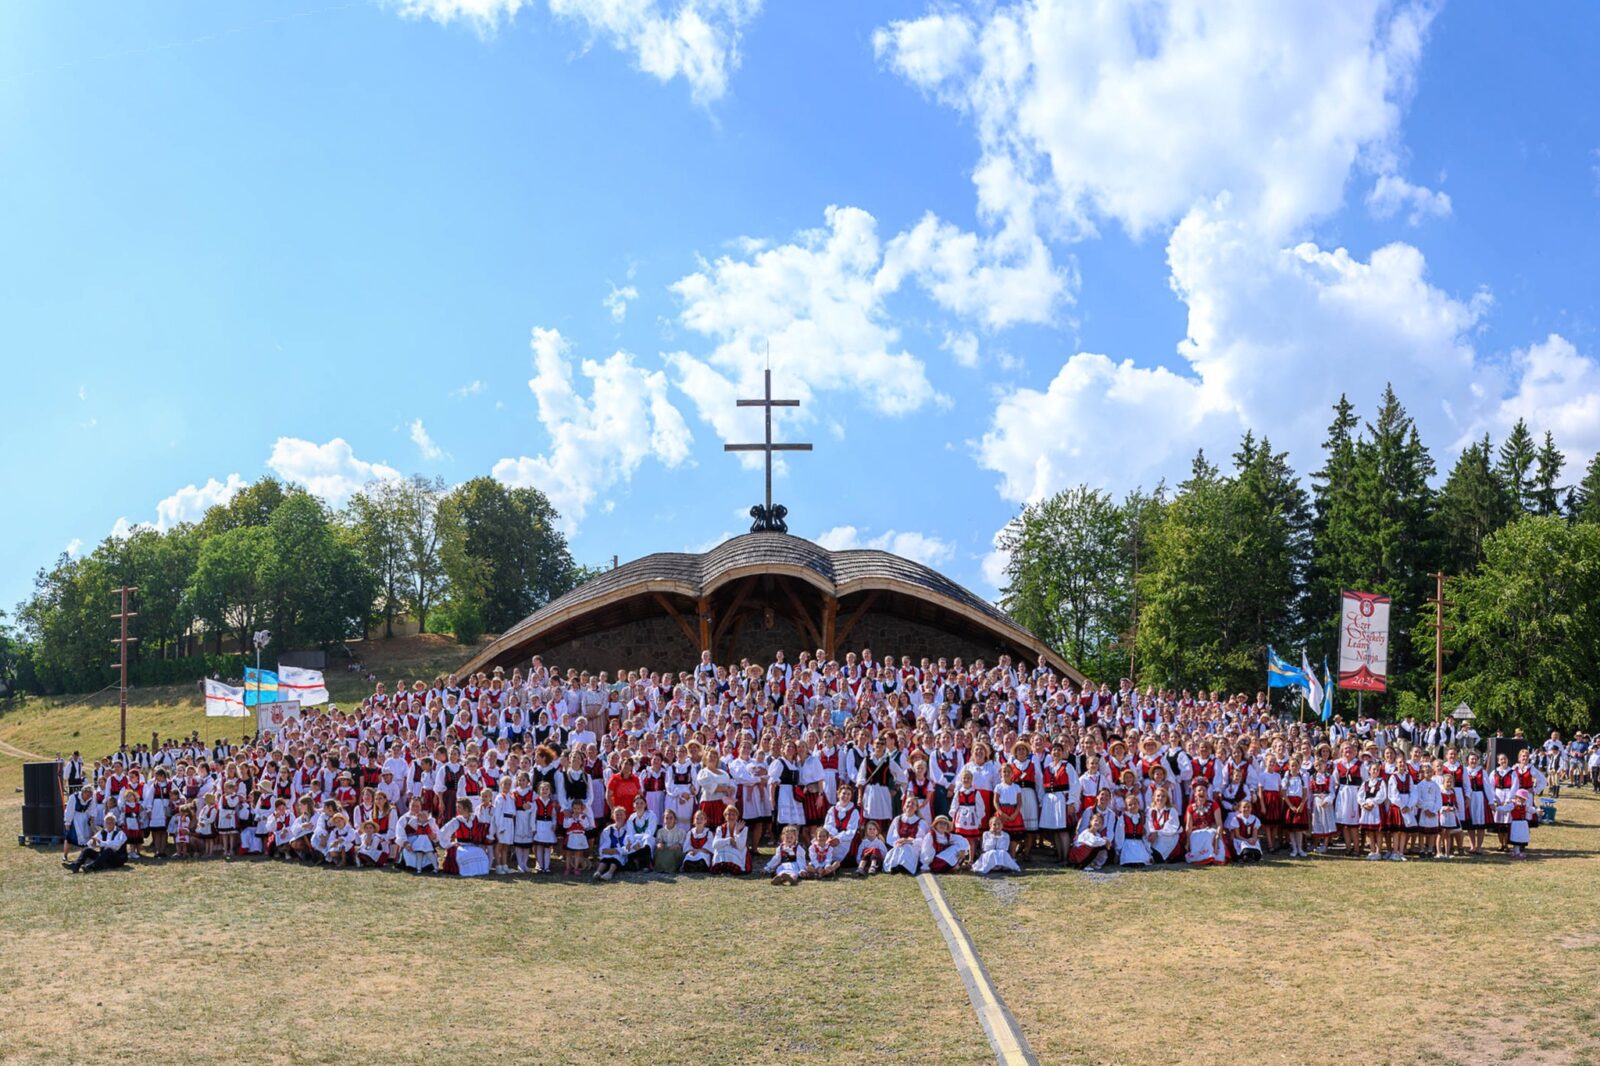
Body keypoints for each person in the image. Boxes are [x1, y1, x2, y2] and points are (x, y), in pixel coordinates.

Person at [594, 806, 629, 882]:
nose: (619, 816)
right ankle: (598, 872)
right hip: (609, 851)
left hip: (621, 853)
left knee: (616, 857)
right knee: (605, 857)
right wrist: (605, 850)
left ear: (625, 816)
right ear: (613, 816)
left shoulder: (629, 829)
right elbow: (603, 844)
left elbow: (629, 846)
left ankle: (610, 873)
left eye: (621, 814)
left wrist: (617, 850)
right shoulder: (608, 830)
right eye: (617, 814)